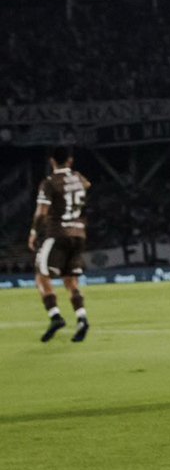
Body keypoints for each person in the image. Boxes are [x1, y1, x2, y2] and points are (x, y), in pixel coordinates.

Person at [30, 146, 90, 343]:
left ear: (52, 161)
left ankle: (55, 316)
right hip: (79, 234)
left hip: (58, 234)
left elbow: (41, 212)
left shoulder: (49, 183)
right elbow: (87, 184)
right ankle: (82, 318)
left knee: (41, 276)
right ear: (70, 161)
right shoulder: (79, 178)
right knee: (70, 280)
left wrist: (33, 232)